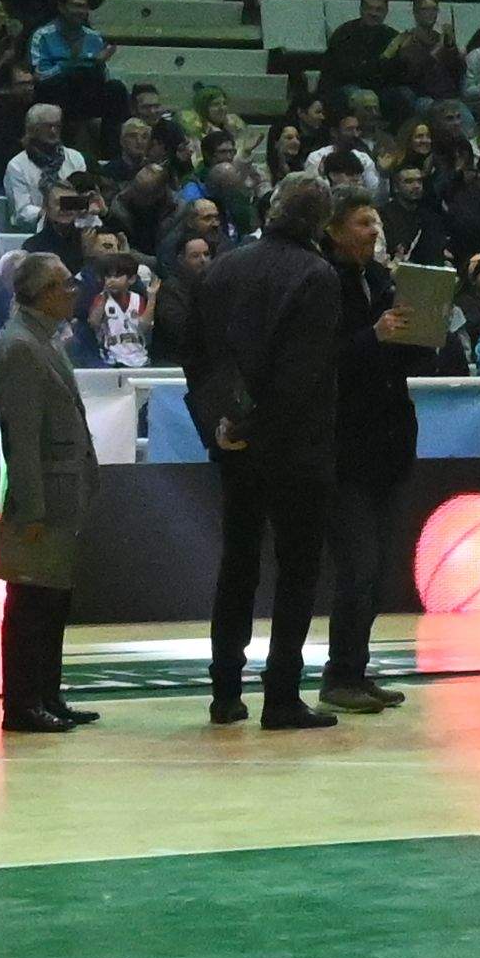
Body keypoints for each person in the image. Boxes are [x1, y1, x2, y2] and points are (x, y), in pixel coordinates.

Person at [185, 181, 349, 730]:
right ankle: (281, 694)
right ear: (321, 224)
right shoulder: (317, 275)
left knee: (238, 564)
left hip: (237, 443)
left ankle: (224, 691)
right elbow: (300, 374)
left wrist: (221, 422)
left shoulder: (225, 268)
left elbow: (197, 354)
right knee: (297, 570)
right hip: (297, 445)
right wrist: (256, 422)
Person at [320, 197, 424, 715]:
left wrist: (428, 322)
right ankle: (338, 675)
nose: (374, 230)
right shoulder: (322, 281)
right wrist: (373, 336)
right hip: (346, 447)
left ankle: (356, 669)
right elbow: (319, 362)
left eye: (377, 221)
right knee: (358, 566)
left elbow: (414, 355)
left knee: (381, 569)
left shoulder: (382, 278)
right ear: (334, 230)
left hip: (389, 442)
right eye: (363, 222)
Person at [0, 247, 98, 733]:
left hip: (60, 493)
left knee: (51, 602)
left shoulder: (43, 340)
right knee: (31, 603)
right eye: (65, 284)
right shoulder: (20, 347)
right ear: (42, 292)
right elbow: (23, 437)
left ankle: (47, 694)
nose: (73, 292)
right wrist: (30, 508)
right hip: (43, 499)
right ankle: (23, 703)